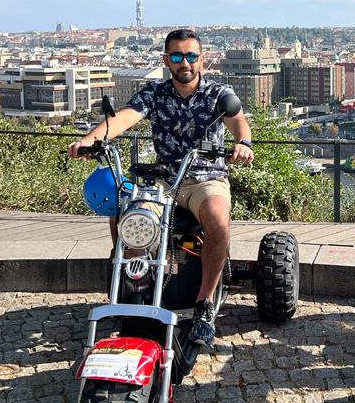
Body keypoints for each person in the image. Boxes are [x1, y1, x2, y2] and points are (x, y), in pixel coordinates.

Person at [68, 28, 254, 346]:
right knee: (131, 218)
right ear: (167, 59)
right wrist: (90, 141)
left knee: (218, 221)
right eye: (178, 56)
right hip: (164, 180)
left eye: (192, 56)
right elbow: (124, 117)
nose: (186, 62)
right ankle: (135, 289)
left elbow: (238, 119)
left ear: (201, 59)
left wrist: (243, 143)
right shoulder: (155, 93)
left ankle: (204, 304)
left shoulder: (217, 93)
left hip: (204, 177)